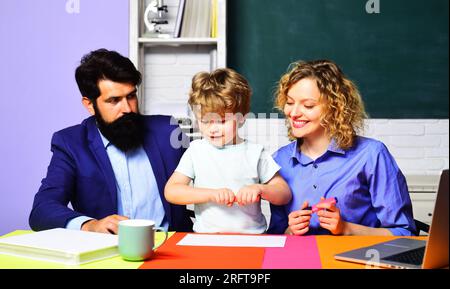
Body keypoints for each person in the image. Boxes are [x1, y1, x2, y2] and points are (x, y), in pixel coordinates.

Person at [29, 49, 192, 234]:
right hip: (108, 252)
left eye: (131, 96)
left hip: (172, 249)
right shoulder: (70, 143)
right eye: (114, 100)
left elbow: (210, 173)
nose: (127, 109)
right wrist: (90, 225)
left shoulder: (167, 130)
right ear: (89, 105)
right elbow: (42, 209)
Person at [268, 59, 417, 236]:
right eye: (290, 102)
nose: (293, 113)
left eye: (308, 105)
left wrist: (346, 228)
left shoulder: (371, 155)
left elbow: (405, 233)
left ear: (335, 108)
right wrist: (290, 230)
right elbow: (275, 236)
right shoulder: (280, 160)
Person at [164, 68, 291, 233]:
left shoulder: (256, 152)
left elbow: (284, 193)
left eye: (222, 121)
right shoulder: (196, 151)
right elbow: (172, 191)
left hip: (253, 239)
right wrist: (210, 194)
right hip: (206, 240)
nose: (213, 129)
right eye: (205, 121)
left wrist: (261, 189)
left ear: (241, 118)